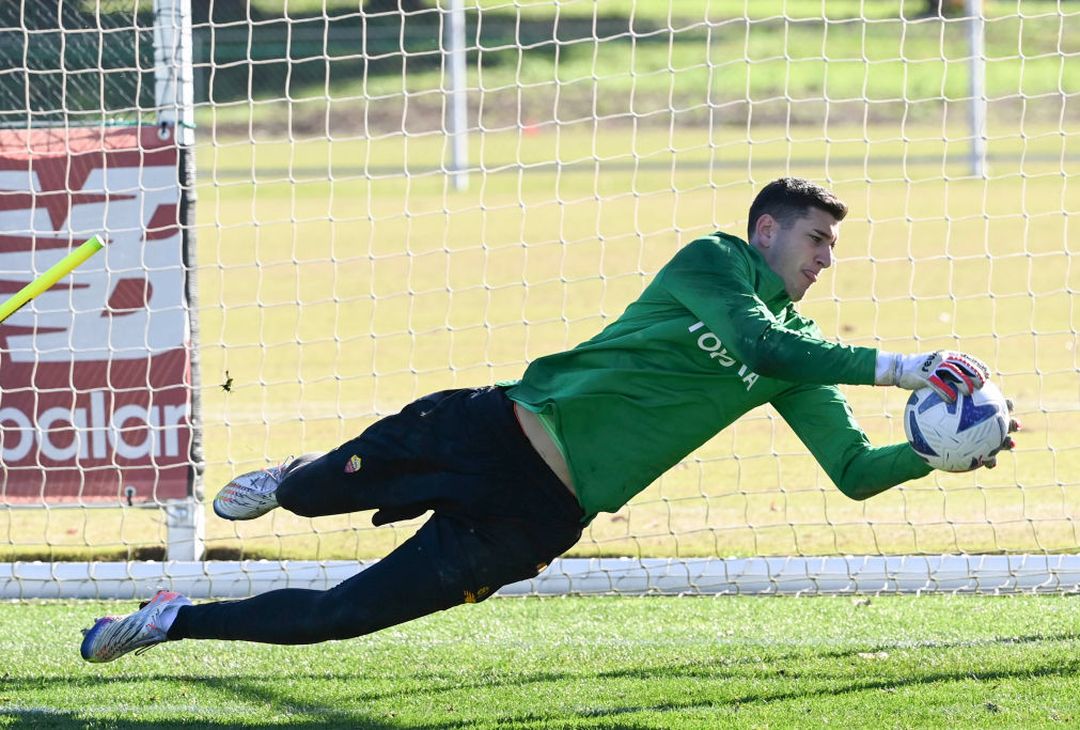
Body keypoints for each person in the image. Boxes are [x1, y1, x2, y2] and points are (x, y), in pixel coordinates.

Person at [80, 177, 1018, 662]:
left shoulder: (799, 353)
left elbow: (853, 468)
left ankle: (169, 621)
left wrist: (933, 456)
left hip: (535, 518)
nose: (825, 261)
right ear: (766, 231)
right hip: (492, 429)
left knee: (342, 616)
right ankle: (292, 480)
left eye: (831, 248)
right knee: (316, 497)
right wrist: (907, 364)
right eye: (817, 241)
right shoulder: (714, 265)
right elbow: (760, 344)